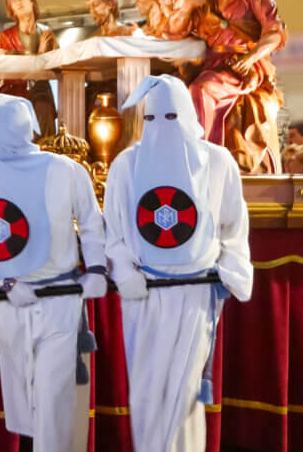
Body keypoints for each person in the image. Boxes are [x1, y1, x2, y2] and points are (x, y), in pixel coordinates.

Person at [0, 94, 107, 452]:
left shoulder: (66, 171)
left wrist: (96, 267)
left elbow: (92, 223)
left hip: (59, 302)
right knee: (23, 399)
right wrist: (0, 284)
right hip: (9, 304)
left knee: (54, 399)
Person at [104, 74, 252, 452]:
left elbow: (234, 227)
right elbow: (114, 232)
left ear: (187, 114)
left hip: (195, 294)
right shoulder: (126, 164)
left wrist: (231, 270)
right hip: (145, 296)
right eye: (152, 118)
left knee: (185, 392)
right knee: (147, 389)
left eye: (171, 116)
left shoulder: (217, 161)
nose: (162, 126)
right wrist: (124, 271)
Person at [189, 0, 287, 174]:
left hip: (241, 65)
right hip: (212, 63)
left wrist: (251, 57)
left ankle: (207, 156)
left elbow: (275, 33)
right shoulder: (208, 2)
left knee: (201, 89)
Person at [0, 0, 58, 137]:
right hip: (14, 91)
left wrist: (46, 57)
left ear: (32, 2)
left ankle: (45, 147)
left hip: (41, 91)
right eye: (13, 0)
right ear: (11, 10)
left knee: (43, 108)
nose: (18, 1)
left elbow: (58, 64)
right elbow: (7, 71)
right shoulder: (6, 36)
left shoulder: (46, 33)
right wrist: (40, 55)